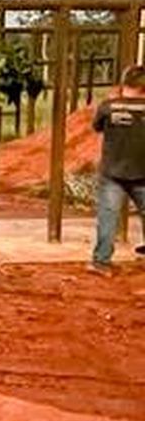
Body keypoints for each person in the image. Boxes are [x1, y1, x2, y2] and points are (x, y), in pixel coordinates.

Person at [90, 64, 145, 272]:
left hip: (112, 171)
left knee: (108, 216)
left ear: (124, 83)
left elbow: (97, 127)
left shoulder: (107, 106)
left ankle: (101, 261)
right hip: (142, 172)